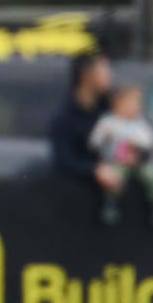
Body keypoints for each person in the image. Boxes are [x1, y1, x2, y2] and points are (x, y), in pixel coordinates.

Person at [88, 83, 153, 228]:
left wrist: (138, 145)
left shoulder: (140, 124)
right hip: (116, 161)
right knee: (114, 178)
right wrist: (104, 137)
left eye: (138, 104)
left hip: (137, 162)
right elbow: (94, 142)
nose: (136, 108)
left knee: (151, 175)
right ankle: (110, 205)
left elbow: (151, 141)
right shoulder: (108, 123)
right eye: (131, 104)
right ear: (117, 105)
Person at [50, 50, 120, 203]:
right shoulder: (65, 117)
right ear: (85, 73)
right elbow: (64, 159)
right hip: (73, 200)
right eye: (103, 68)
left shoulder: (111, 110)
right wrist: (94, 170)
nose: (109, 75)